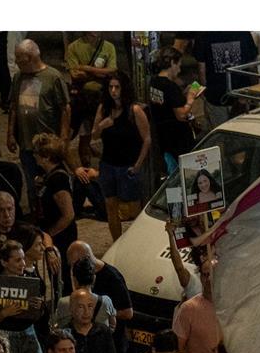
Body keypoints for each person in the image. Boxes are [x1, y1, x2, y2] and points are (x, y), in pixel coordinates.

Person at [8, 39, 69, 210]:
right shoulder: (18, 78)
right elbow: (13, 107)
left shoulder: (53, 77)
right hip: (27, 142)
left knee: (51, 182)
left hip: (47, 144)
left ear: (31, 58)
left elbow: (65, 108)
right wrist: (10, 133)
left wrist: (63, 138)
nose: (17, 62)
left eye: (20, 58)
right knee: (31, 183)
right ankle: (37, 213)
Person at [91, 71, 150, 242]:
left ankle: (138, 240)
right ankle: (116, 241)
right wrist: (102, 125)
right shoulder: (104, 108)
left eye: (117, 87)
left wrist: (138, 165)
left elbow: (146, 139)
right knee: (111, 206)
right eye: (111, 87)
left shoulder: (134, 110)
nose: (114, 91)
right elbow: (94, 135)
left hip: (127, 165)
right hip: (108, 164)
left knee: (133, 208)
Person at [64, 33, 116, 168]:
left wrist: (86, 68)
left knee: (107, 133)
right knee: (83, 135)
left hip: (101, 97)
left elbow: (112, 71)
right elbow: (75, 74)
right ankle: (85, 168)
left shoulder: (108, 47)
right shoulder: (74, 47)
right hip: (82, 98)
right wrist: (100, 73)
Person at [149, 47, 203, 175]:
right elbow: (181, 115)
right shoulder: (170, 86)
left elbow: (167, 103)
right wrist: (190, 98)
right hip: (178, 140)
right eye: (178, 65)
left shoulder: (154, 82)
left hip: (163, 137)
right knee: (184, 174)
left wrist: (182, 95)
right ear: (172, 63)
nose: (179, 70)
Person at [31, 133, 77, 282]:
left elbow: (68, 215)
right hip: (53, 235)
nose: (34, 155)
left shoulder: (58, 179)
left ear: (46, 157)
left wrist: (49, 234)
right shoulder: (49, 175)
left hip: (61, 237)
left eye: (36, 152)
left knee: (61, 277)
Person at [171, 257, 222, 353]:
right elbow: (177, 349)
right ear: (200, 277)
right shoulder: (189, 309)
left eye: (213, 274)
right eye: (205, 275)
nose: (209, 279)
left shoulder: (233, 305)